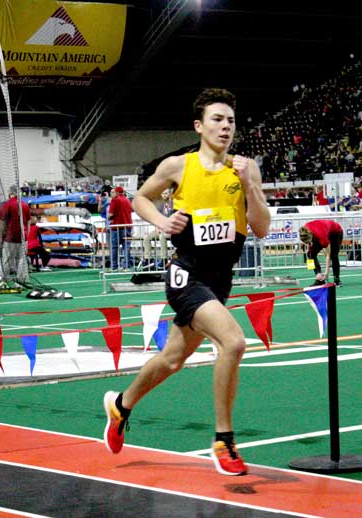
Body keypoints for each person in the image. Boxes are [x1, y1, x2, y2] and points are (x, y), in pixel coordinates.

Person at [102, 88, 270, 476]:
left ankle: (121, 406)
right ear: (199, 126)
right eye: (217, 119)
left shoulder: (246, 169)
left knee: (173, 359)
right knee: (233, 341)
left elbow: (261, 228)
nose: (225, 126)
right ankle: (223, 440)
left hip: (220, 278)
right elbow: (140, 198)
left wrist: (251, 186)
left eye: (230, 120)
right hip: (185, 273)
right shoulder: (178, 166)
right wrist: (162, 221)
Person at [299, 220, 343, 287]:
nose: (308, 244)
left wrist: (326, 272)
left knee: (333, 255)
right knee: (310, 254)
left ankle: (337, 279)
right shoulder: (304, 231)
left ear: (311, 236)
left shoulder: (321, 236)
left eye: (309, 242)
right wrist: (313, 268)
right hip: (320, 230)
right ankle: (319, 278)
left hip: (335, 232)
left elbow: (327, 255)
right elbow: (309, 248)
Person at [0, 184, 30, 277]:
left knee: (7, 260)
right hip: (22, 237)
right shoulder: (24, 205)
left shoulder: (7, 204)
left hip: (10, 237)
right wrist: (26, 236)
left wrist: (1, 236)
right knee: (21, 260)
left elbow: (3, 222)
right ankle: (21, 280)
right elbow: (28, 222)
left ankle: (4, 280)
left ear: (10, 193)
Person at [141, 188, 172, 269]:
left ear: (169, 194)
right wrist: (158, 226)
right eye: (163, 194)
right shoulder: (161, 205)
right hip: (161, 228)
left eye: (166, 193)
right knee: (146, 238)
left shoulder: (173, 204)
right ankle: (148, 259)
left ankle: (164, 259)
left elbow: (172, 219)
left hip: (170, 229)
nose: (164, 195)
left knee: (162, 236)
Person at [108, 185, 132, 270]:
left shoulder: (115, 200)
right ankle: (126, 266)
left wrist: (109, 218)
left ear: (117, 192)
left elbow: (110, 215)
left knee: (114, 247)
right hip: (128, 226)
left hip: (117, 227)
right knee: (126, 247)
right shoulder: (128, 200)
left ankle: (114, 266)